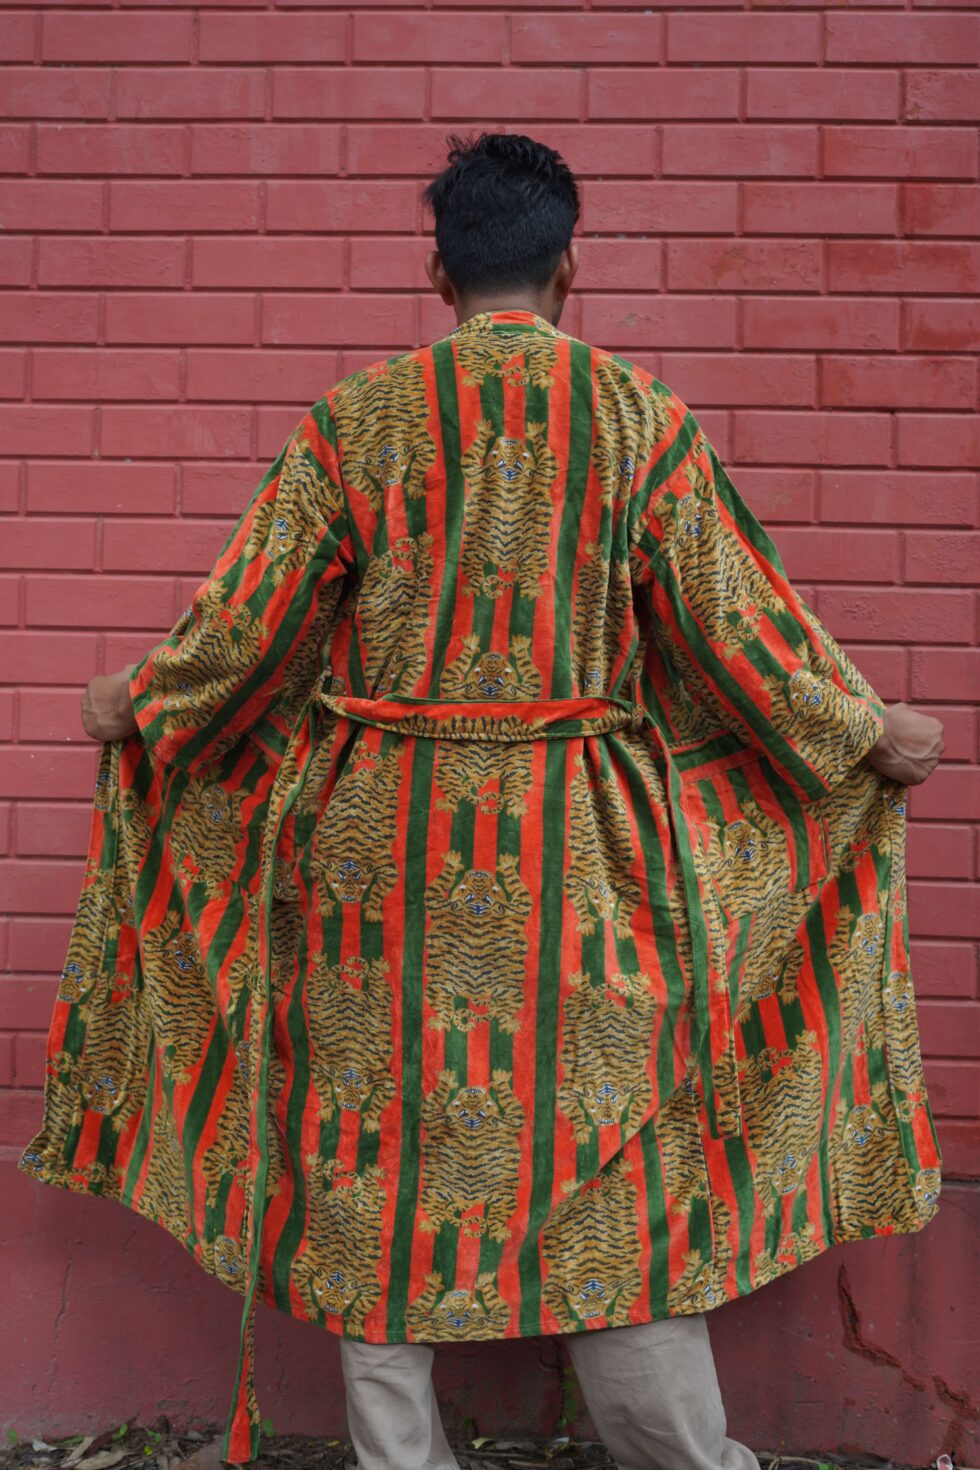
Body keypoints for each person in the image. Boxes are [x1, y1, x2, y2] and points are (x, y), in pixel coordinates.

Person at [21, 133, 945, 1470]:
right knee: (612, 1162)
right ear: (569, 268)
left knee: (369, 1159)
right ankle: (684, 1457)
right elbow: (740, 632)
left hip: (374, 863)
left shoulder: (356, 423)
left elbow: (247, 630)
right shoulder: (639, 421)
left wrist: (141, 702)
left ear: (437, 272)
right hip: (587, 864)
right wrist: (864, 734)